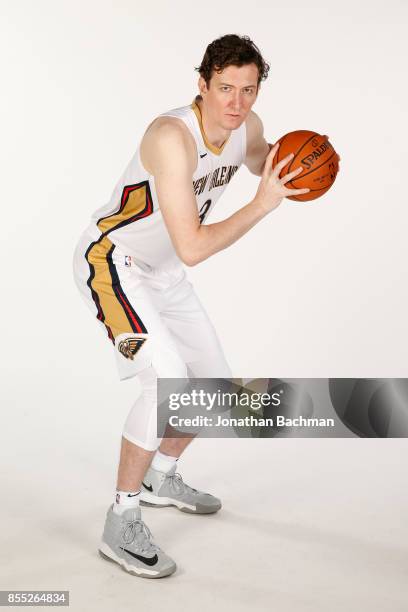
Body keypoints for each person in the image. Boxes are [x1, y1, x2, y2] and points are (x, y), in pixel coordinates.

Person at [72, 33, 310, 579]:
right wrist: (263, 206)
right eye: (224, 88)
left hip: (164, 272)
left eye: (248, 90)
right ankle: (120, 518)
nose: (236, 103)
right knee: (167, 383)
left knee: (213, 387)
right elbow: (196, 247)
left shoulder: (245, 125)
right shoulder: (171, 136)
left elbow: (260, 159)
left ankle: (162, 475)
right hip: (114, 262)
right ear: (201, 85)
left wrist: (298, 162)